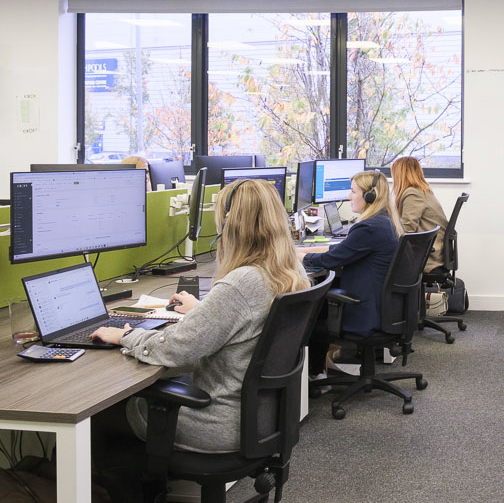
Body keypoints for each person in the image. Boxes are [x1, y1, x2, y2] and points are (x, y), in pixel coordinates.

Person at [89, 178, 310, 501]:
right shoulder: (289, 273)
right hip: (263, 418)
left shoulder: (239, 284)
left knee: (106, 414)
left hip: (219, 423)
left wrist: (126, 335)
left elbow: (176, 349)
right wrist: (206, 309)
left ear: (231, 224)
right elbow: (238, 326)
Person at [297, 170, 402, 376]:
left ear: (369, 196)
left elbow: (328, 261)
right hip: (383, 306)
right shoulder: (384, 221)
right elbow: (342, 250)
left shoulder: (368, 228)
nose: (348, 196)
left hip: (364, 311)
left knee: (309, 309)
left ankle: (315, 374)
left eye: (353, 191)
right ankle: (320, 370)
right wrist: (305, 250)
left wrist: (299, 257)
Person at [391, 156, 448, 272]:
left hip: (427, 258)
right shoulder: (422, 190)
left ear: (400, 175)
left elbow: (407, 230)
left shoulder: (413, 194)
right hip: (433, 252)